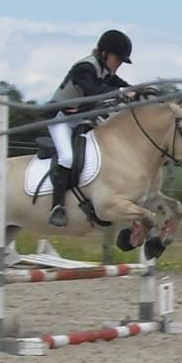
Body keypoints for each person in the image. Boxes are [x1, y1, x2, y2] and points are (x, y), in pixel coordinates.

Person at [46, 29, 135, 227]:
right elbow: (93, 92)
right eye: (117, 59)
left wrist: (139, 92)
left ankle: (100, 203)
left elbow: (123, 86)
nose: (119, 64)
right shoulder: (85, 68)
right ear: (104, 54)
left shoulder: (106, 71)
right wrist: (123, 92)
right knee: (67, 158)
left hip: (82, 120)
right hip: (61, 119)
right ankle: (57, 207)